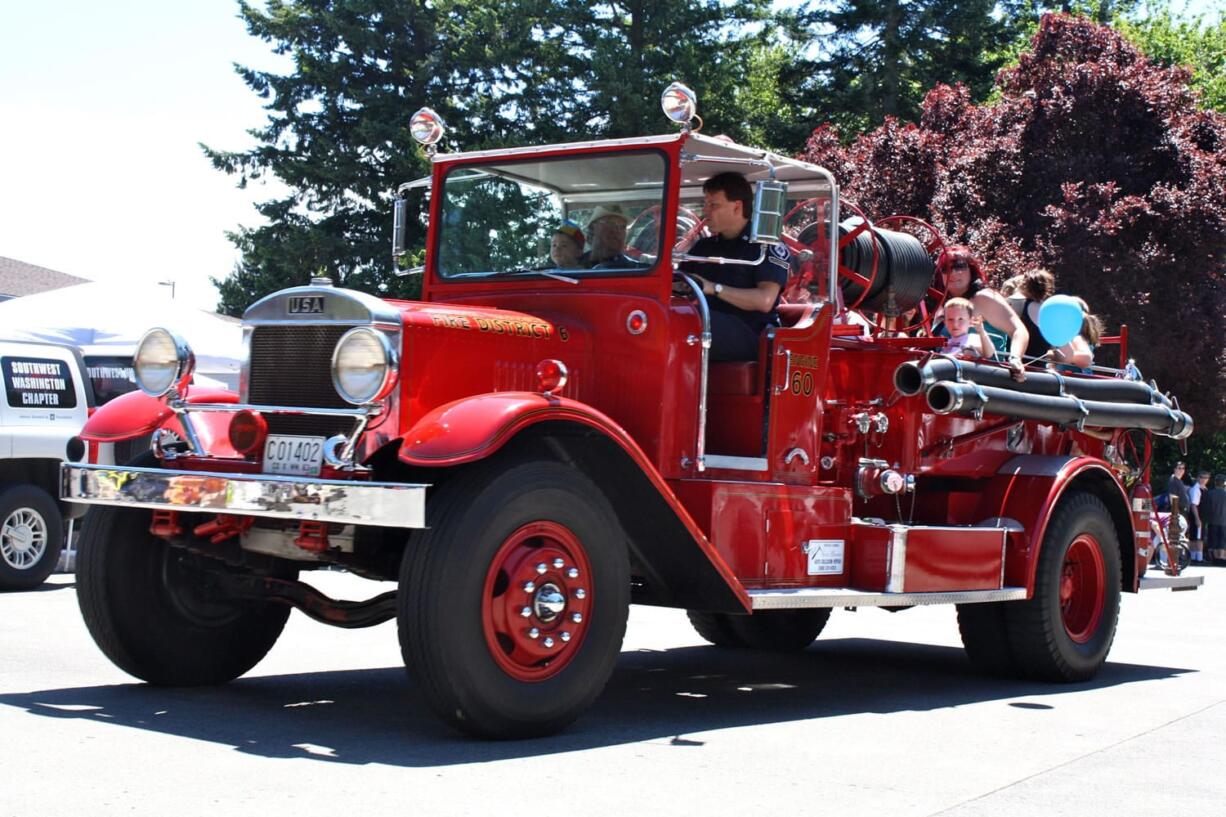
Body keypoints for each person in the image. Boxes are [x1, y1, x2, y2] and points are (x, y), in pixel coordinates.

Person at [677, 172, 790, 362]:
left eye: (714, 205)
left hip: (751, 335)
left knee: (691, 320)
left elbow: (765, 300)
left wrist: (713, 288)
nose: (706, 211)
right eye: (705, 204)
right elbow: (681, 282)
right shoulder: (703, 246)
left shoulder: (766, 247)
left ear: (737, 207)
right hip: (710, 325)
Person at [934, 246, 1029, 380]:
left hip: (985, 380)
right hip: (946, 380)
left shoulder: (984, 298)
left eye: (959, 266)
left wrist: (1015, 359)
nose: (953, 273)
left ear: (971, 270)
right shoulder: (944, 306)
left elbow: (1018, 330)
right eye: (946, 269)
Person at [1012, 268, 1058, 362]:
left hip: (1015, 365)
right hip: (1039, 371)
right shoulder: (1051, 314)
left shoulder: (1014, 306)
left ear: (1024, 285)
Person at [1048, 296, 1101, 373]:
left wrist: (1056, 355)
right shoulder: (1065, 339)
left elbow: (1086, 358)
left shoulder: (1076, 338)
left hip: (1078, 381)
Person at [1202, 474, 1226, 565]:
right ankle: (1222, 558)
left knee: (1214, 541)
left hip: (1212, 521)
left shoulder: (1209, 493)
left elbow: (1206, 508)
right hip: (1224, 521)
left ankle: (1216, 559)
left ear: (1215, 482)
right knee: (1223, 541)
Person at [1188, 470, 1210, 563]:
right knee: (1197, 538)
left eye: (1206, 478)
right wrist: (1197, 518)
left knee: (1198, 537)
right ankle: (1198, 558)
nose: (1203, 479)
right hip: (1197, 517)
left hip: (1203, 517)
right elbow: (1194, 505)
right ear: (1198, 478)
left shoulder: (1205, 489)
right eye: (1201, 477)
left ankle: (1194, 557)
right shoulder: (1196, 489)